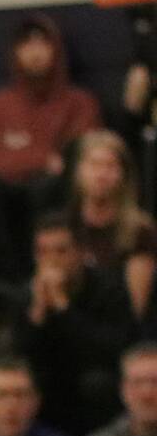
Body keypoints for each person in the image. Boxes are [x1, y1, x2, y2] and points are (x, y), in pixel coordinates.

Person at [0, 14, 101, 284]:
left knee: (45, 187)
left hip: (54, 193)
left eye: (42, 44)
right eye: (26, 45)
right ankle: (8, 282)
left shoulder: (79, 102)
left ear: (56, 50)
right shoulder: (0, 103)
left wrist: (19, 155)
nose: (35, 53)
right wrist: (41, 157)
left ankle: (44, 269)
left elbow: (77, 156)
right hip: (8, 194)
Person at [18, 212, 136, 436]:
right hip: (50, 380)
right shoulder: (27, 295)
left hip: (93, 378)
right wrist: (38, 313)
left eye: (61, 251)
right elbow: (22, 355)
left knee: (96, 385)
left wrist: (63, 308)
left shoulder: (110, 289)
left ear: (81, 252)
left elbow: (109, 351)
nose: (51, 260)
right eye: (43, 252)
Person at [65, 130, 157, 322]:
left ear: (124, 174)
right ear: (78, 170)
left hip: (118, 327)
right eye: (94, 164)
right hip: (69, 324)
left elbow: (136, 307)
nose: (101, 174)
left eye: (110, 166)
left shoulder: (141, 231)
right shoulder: (64, 225)